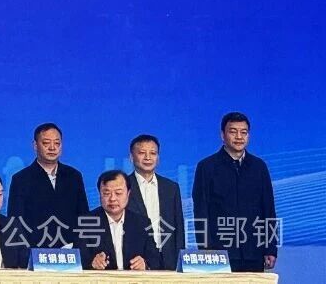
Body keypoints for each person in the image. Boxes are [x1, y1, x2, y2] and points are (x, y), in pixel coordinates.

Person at [192, 112, 278, 273]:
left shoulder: (259, 167)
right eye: (233, 131)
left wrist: (270, 248)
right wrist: (205, 248)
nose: (239, 137)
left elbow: (268, 209)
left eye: (243, 132)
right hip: (220, 252)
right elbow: (201, 211)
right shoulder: (207, 167)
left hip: (254, 251)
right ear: (222, 135)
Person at [6, 122, 88, 248]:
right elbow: (16, 222)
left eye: (57, 143)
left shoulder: (74, 176)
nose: (52, 148)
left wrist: (81, 248)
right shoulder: (21, 179)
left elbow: (84, 216)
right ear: (35, 145)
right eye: (46, 143)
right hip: (36, 252)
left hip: (71, 252)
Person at [78, 171, 161, 271]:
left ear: (128, 193)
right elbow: (77, 262)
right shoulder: (87, 223)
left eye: (118, 193)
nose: (112, 198)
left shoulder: (142, 223)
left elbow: (156, 260)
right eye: (106, 193)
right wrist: (92, 264)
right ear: (99, 194)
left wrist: (145, 265)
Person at [125, 134, 185, 270]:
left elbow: (178, 227)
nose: (148, 157)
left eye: (153, 153)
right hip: (135, 260)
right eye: (142, 153)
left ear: (158, 158)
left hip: (168, 259)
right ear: (131, 157)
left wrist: (179, 260)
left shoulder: (171, 188)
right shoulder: (123, 187)